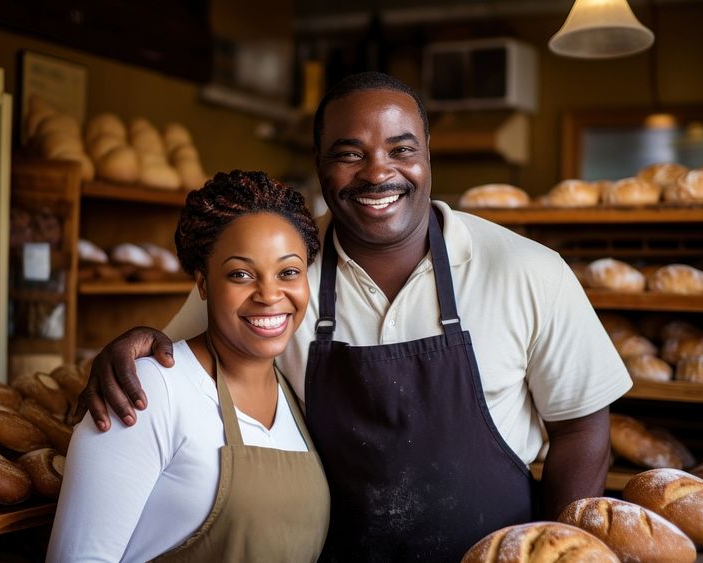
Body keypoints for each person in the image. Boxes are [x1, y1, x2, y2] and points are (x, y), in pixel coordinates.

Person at [79, 72, 633, 562]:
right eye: (349, 154)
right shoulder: (285, 272)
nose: (377, 173)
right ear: (320, 168)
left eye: (401, 149)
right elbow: (183, 355)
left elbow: (583, 428)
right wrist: (139, 342)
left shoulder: (528, 271)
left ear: (427, 158)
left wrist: (562, 551)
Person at [47, 170, 330, 562]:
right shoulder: (149, 391)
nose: (269, 294)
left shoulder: (296, 391)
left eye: (288, 272)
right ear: (202, 283)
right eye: (241, 274)